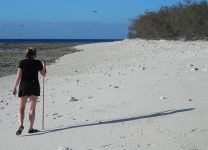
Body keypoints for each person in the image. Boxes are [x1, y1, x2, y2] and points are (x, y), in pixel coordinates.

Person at [13, 48, 46, 135]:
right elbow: (44, 74)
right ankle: (30, 128)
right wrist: (44, 65)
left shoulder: (22, 62)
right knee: (32, 108)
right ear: (34, 54)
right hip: (34, 86)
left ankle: (21, 125)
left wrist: (14, 87)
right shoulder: (38, 62)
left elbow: (18, 76)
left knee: (21, 108)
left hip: (24, 86)